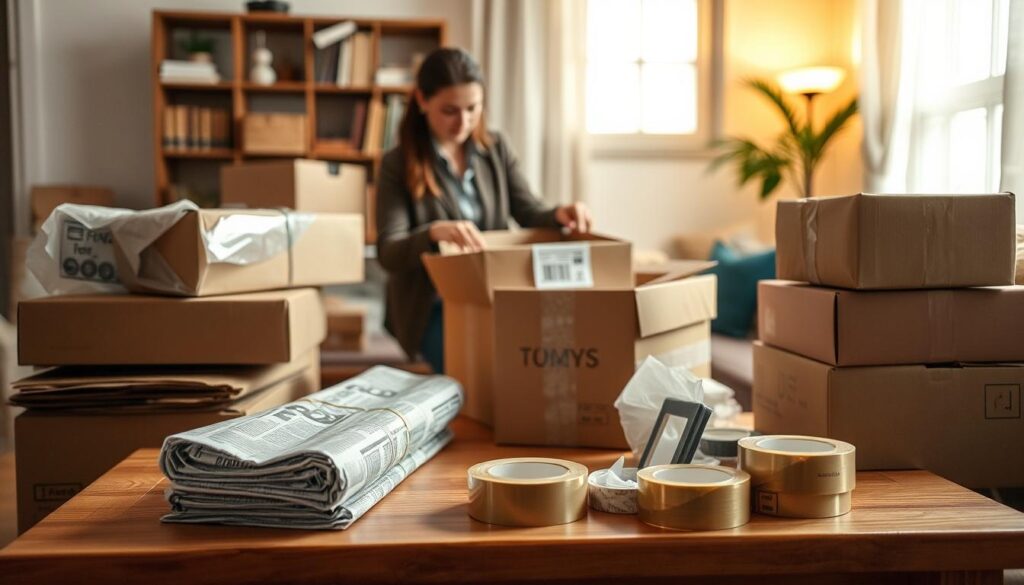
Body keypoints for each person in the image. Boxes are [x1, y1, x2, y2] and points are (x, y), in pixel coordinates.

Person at [376, 47, 592, 374]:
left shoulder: (495, 149)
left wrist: (561, 213)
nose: (462, 122)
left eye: (472, 109)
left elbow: (529, 211)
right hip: (433, 308)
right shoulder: (397, 164)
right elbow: (389, 251)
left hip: (496, 297)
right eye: (449, 110)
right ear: (422, 100)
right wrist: (433, 232)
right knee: (488, 372)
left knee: (543, 361)